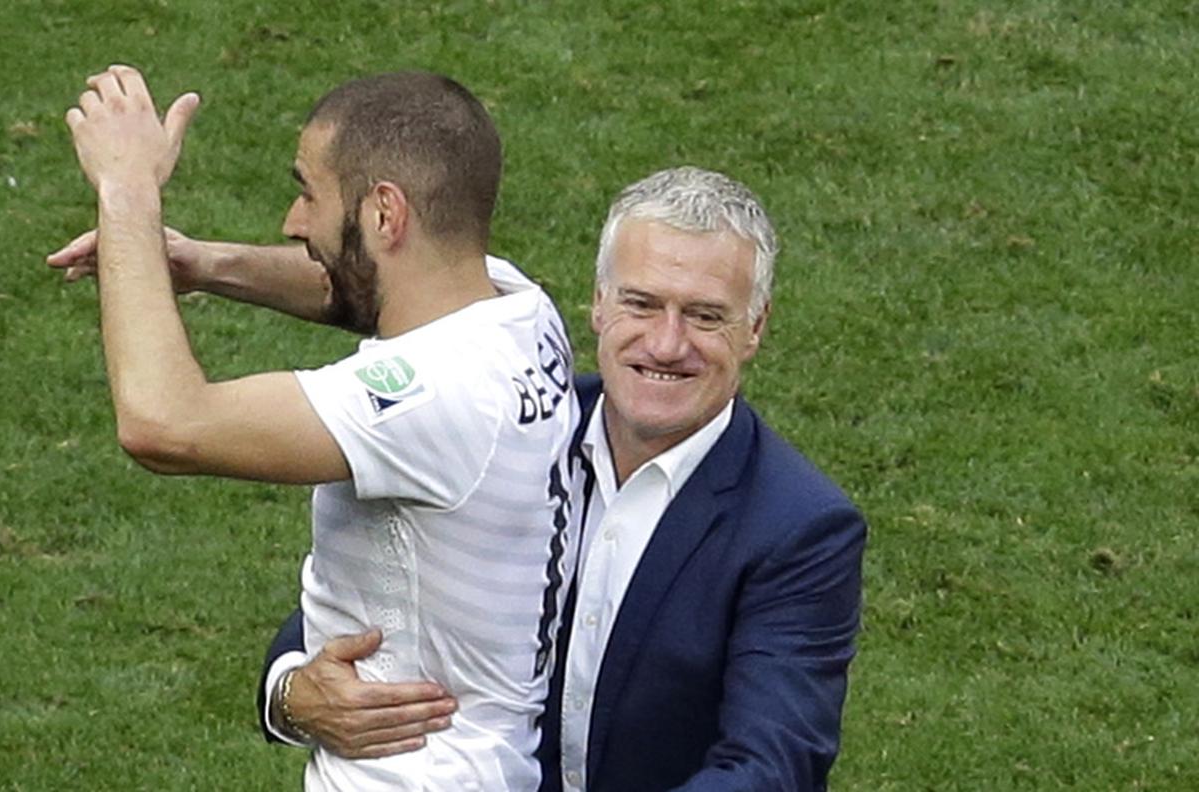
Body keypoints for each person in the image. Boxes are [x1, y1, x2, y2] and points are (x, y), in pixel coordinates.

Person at [53, 66, 579, 791]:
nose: (293, 223)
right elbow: (357, 286)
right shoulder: (516, 310)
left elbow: (163, 422)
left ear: (385, 214)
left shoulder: (434, 396)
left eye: (308, 193)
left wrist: (127, 194)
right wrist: (207, 264)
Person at [260, 166, 867, 791]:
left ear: (756, 328)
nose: (665, 343)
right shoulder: (507, 428)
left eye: (706, 316)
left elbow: (772, 767)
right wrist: (292, 695)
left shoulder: (801, 528)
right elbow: (365, 595)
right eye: (641, 303)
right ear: (599, 303)